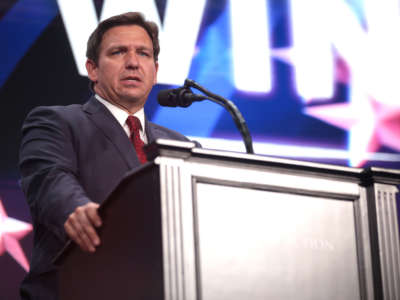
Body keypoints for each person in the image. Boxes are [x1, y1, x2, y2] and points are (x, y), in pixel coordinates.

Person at [19, 12, 194, 299]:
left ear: (155, 69)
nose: (133, 62)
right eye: (118, 52)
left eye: (143, 53)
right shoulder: (57, 122)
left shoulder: (180, 145)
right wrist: (76, 208)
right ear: (93, 69)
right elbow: (49, 178)